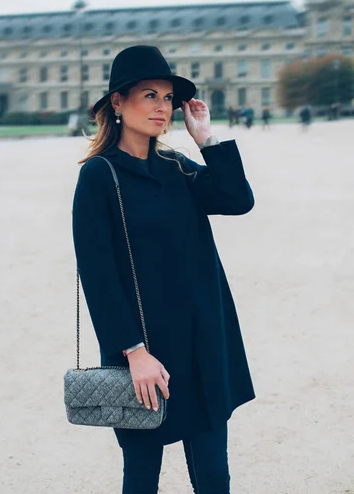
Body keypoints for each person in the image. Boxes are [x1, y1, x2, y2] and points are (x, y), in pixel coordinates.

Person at [72, 45, 255, 494]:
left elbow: (237, 200)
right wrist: (133, 352)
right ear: (118, 102)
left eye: (168, 98)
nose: (162, 107)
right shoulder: (99, 176)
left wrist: (206, 140)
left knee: (215, 478)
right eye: (149, 95)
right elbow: (97, 275)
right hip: (146, 354)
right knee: (142, 478)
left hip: (203, 343)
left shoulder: (177, 166)